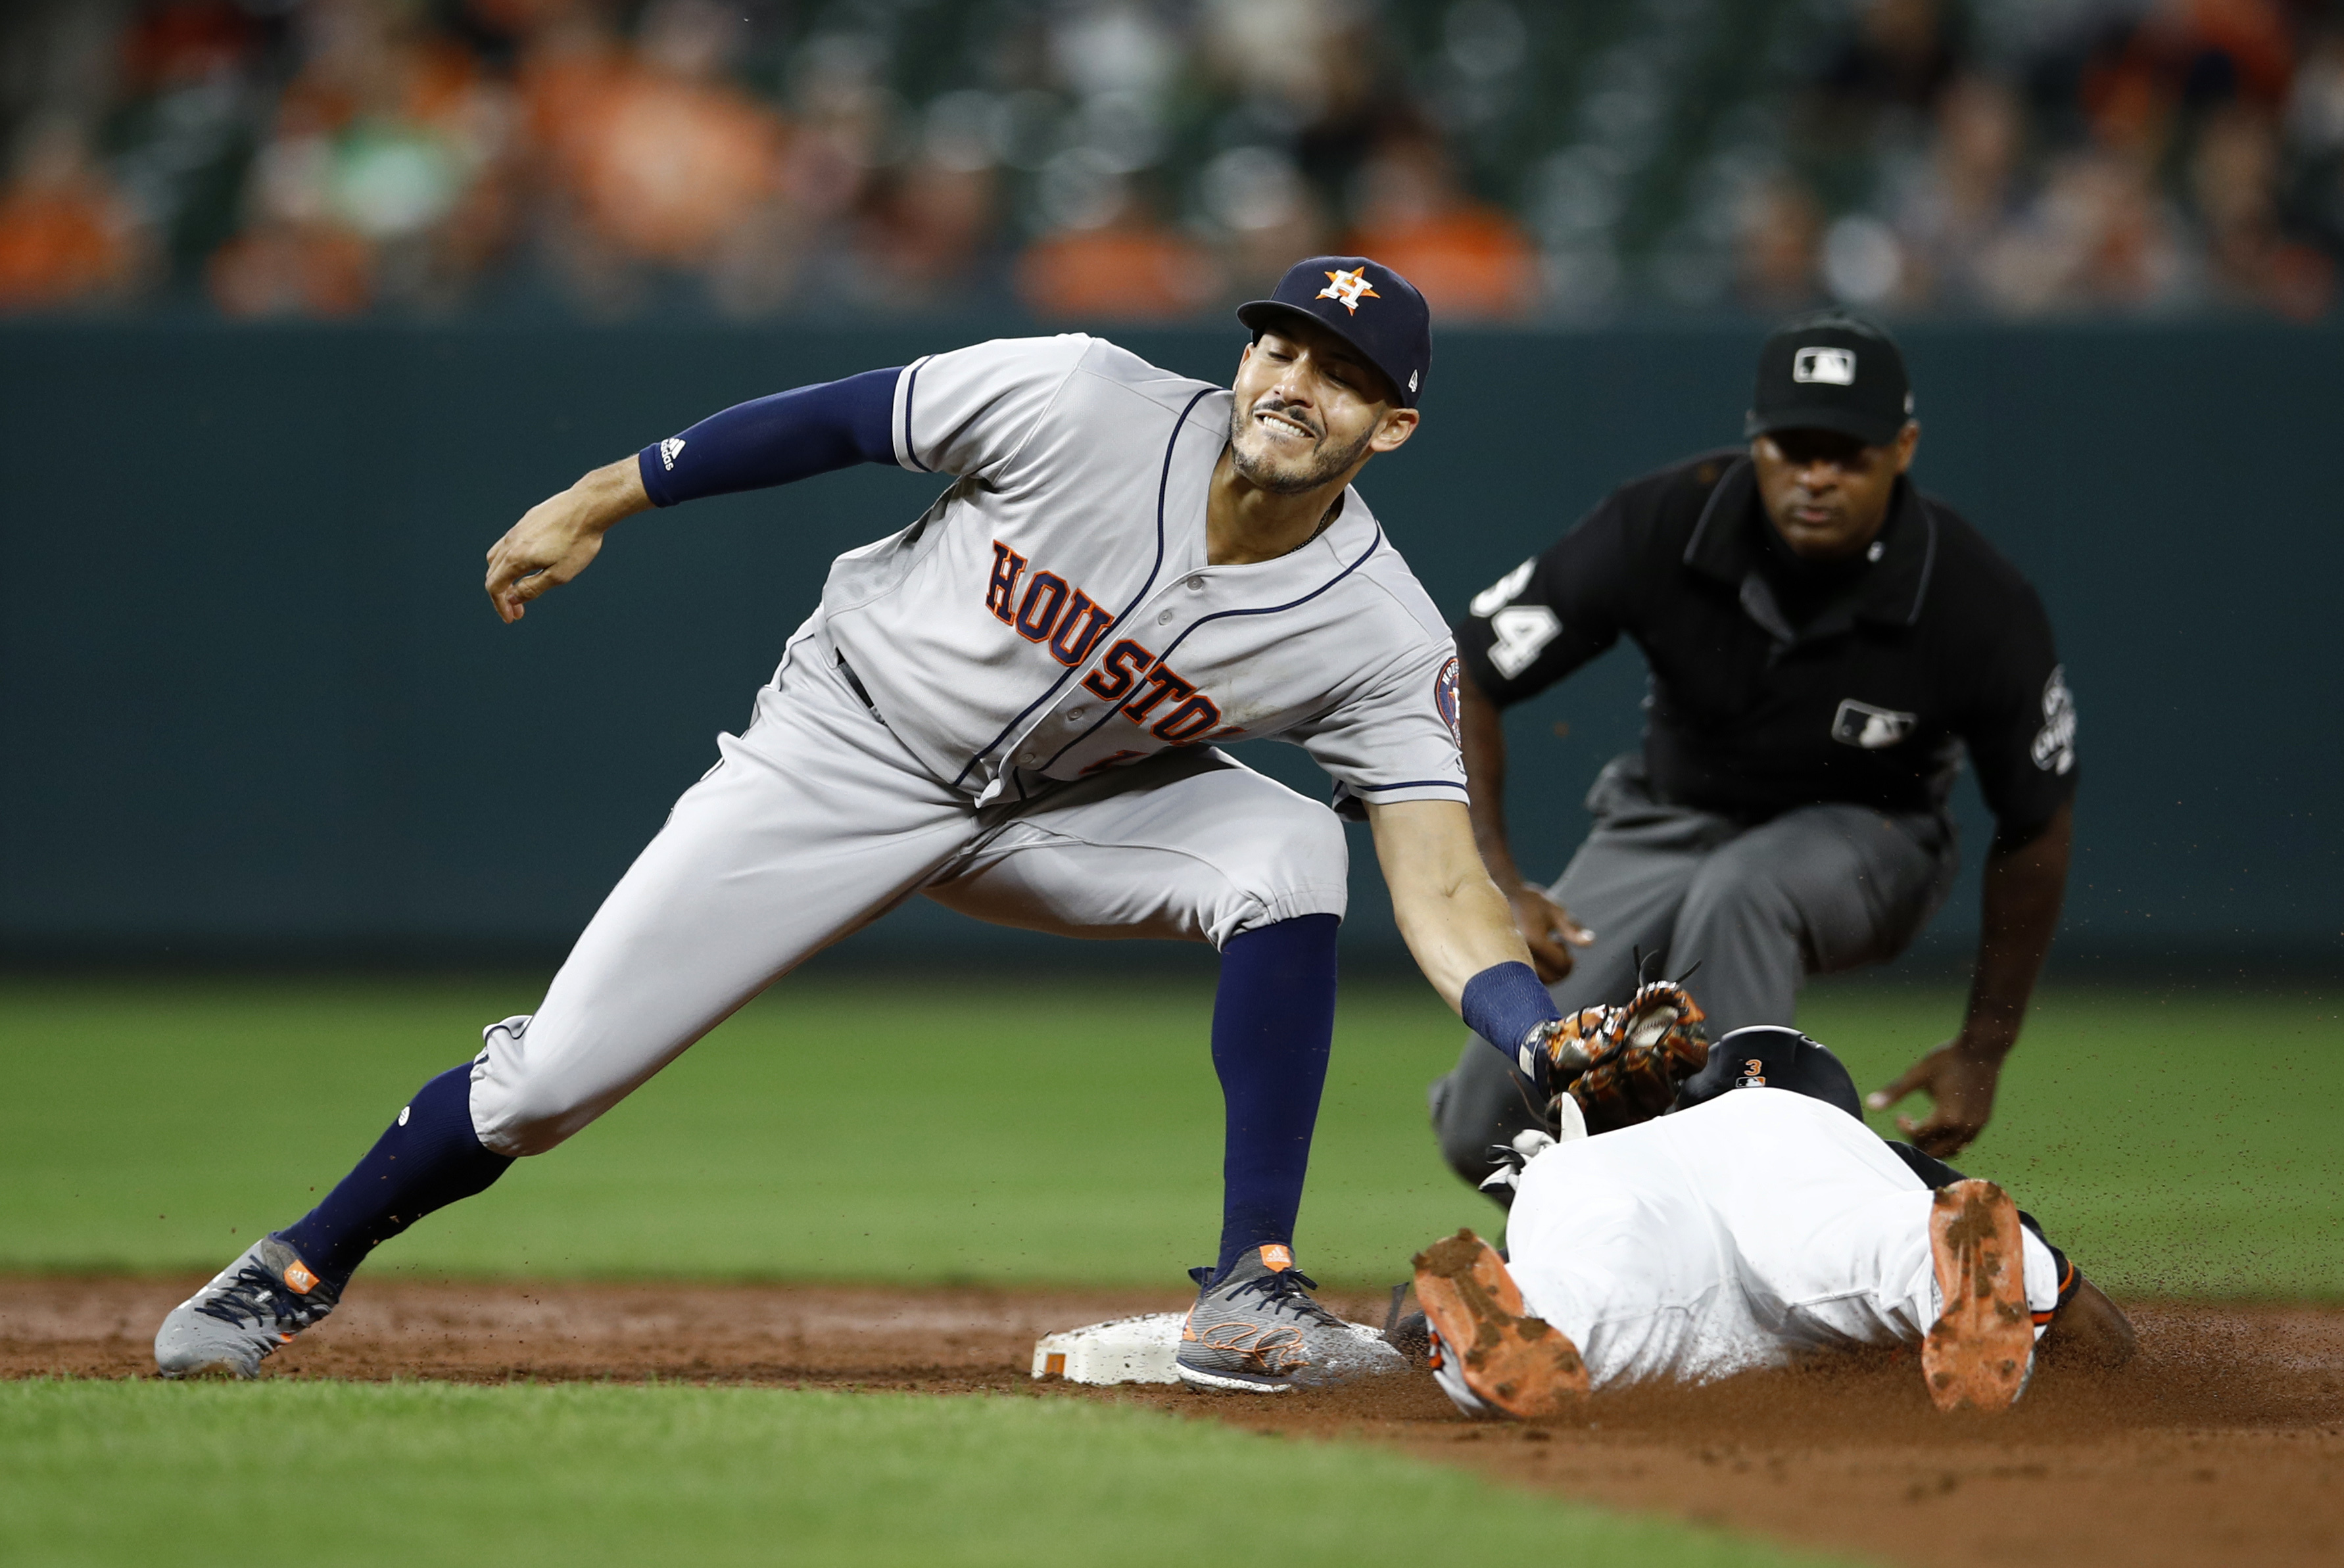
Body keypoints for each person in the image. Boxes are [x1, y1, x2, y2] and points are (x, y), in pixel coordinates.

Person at [151, 257, 1600, 1394]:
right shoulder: (1082, 396)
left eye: (1343, 377)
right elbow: (843, 419)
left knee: (1290, 848)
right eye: (1283, 347)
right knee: (545, 1086)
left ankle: (1250, 1283)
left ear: (1391, 426)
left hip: (1059, 814)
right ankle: (290, 1267)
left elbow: (1442, 883)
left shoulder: (1375, 628)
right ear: (1246, 352)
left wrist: (1533, 1032)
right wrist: (602, 497)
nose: (1297, 384)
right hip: (839, 752)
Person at [1429, 310, 2077, 1195]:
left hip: (1872, 834)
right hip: (1669, 817)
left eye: (1846, 452)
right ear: (1755, 443)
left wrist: (1984, 1046)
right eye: (1792, 447)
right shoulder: (1669, 519)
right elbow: (1467, 671)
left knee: (1741, 893)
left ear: (1903, 448)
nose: (1815, 475)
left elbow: (2035, 823)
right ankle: (1601, 1244)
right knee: (1486, 1125)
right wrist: (1499, 878)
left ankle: (1753, 1213)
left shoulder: (1971, 597)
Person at [1410, 1020, 2136, 1419]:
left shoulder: (1631, 1141)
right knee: (1884, 1242)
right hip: (1801, 1181)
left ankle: (1528, 1308)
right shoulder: (1837, 1138)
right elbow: (2097, 1333)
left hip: (1592, 1176)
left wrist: (1406, 1331)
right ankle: (1936, 1263)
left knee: (1592, 1296)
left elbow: (1404, 1329)